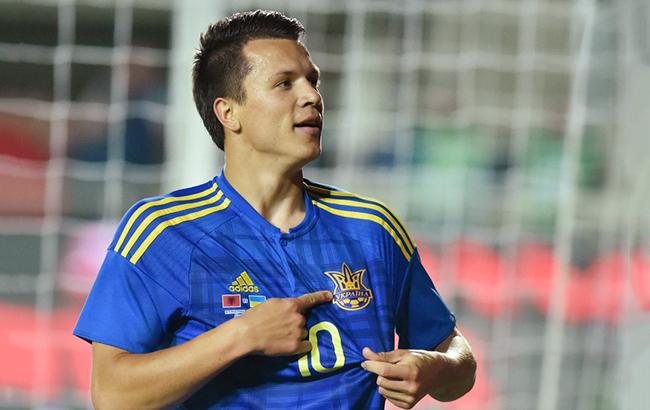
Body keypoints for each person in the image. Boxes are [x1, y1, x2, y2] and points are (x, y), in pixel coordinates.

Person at [73, 9, 476, 409]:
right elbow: (112, 395)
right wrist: (242, 335)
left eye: (312, 81)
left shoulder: (372, 228)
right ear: (228, 112)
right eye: (285, 83)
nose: (312, 96)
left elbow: (456, 354)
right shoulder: (165, 232)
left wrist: (434, 368)